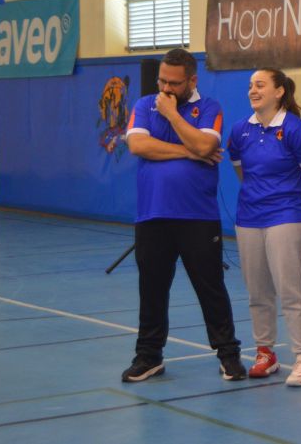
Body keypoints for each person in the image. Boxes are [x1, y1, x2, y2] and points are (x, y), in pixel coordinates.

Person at [122, 48, 245, 382]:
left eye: (174, 83)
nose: (166, 88)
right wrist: (188, 151)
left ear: (192, 80)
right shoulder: (145, 105)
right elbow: (138, 146)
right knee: (152, 290)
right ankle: (148, 357)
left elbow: (206, 147)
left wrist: (173, 116)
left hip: (197, 217)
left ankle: (229, 355)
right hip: (153, 215)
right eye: (162, 80)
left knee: (211, 288)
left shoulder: (209, 108)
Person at [227, 68, 301, 387]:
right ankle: (265, 353)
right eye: (251, 85)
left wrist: (292, 203)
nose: (253, 90)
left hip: (288, 216)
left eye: (260, 85)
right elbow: (242, 172)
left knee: (291, 291)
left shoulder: (295, 130)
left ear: (279, 91)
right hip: (249, 218)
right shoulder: (240, 130)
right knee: (258, 292)